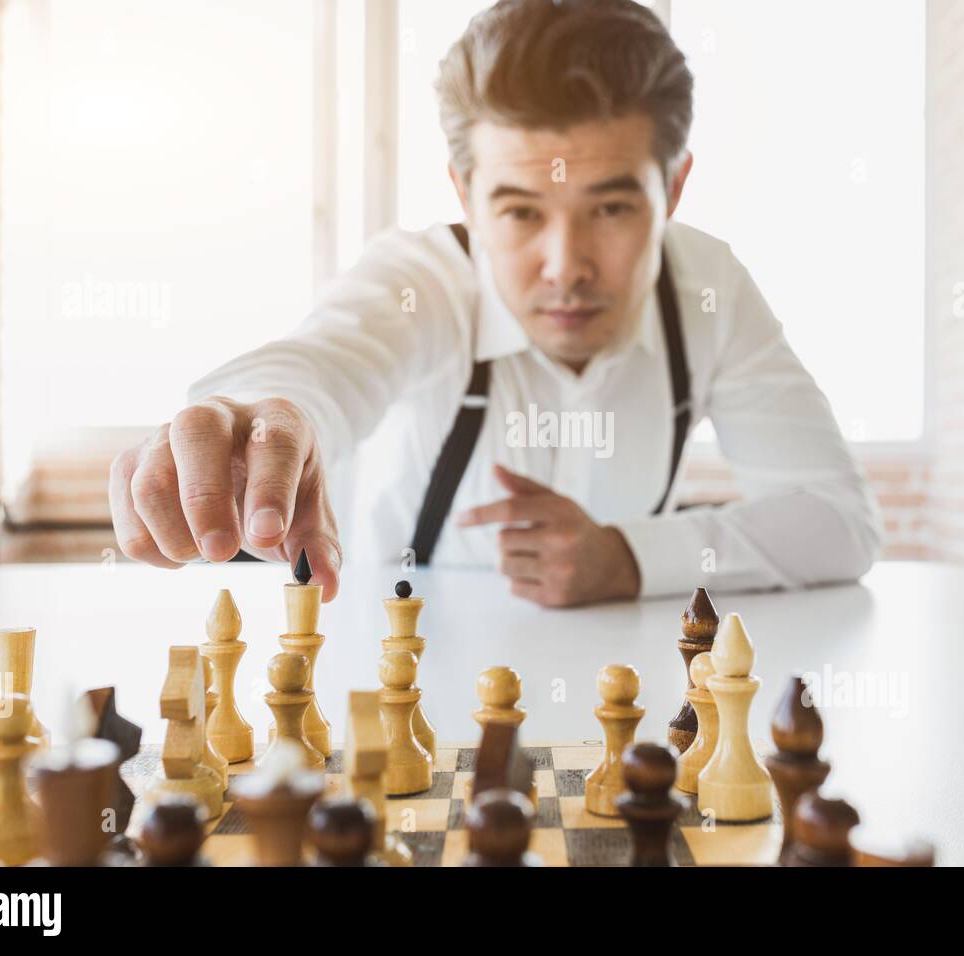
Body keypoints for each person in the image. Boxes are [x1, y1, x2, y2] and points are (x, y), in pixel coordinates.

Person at [108, 0, 881, 606]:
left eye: (610, 209)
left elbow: (839, 523)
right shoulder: (421, 280)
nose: (565, 267)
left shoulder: (709, 289)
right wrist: (255, 414)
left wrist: (629, 559)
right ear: (464, 195)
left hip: (621, 693)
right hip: (399, 691)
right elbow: (322, 362)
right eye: (519, 212)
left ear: (673, 187)